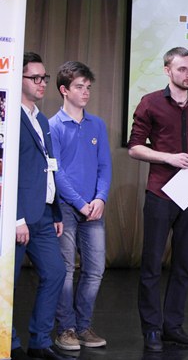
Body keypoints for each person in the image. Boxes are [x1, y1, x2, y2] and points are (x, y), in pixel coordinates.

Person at [128, 47, 188, 352]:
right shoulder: (151, 102)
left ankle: (173, 327)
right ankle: (152, 328)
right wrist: (168, 157)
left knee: (183, 265)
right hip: (161, 192)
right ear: (167, 70)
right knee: (152, 264)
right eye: (182, 69)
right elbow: (134, 147)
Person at [49, 61, 112, 351]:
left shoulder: (97, 124)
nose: (85, 91)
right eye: (79, 86)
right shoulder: (53, 126)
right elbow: (56, 172)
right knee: (65, 271)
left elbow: (104, 166)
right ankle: (67, 328)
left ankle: (83, 325)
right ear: (64, 90)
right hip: (65, 207)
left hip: (93, 209)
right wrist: (80, 203)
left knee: (95, 269)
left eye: (88, 87)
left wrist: (100, 198)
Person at [12, 52, 67, 360]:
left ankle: (39, 341)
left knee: (56, 272)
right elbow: (6, 170)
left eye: (44, 77)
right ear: (17, 79)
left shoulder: (41, 119)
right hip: (18, 215)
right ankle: (9, 343)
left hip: (44, 214)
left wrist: (55, 211)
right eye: (35, 77)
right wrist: (16, 218)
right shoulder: (9, 117)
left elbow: (48, 167)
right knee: (7, 282)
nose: (42, 82)